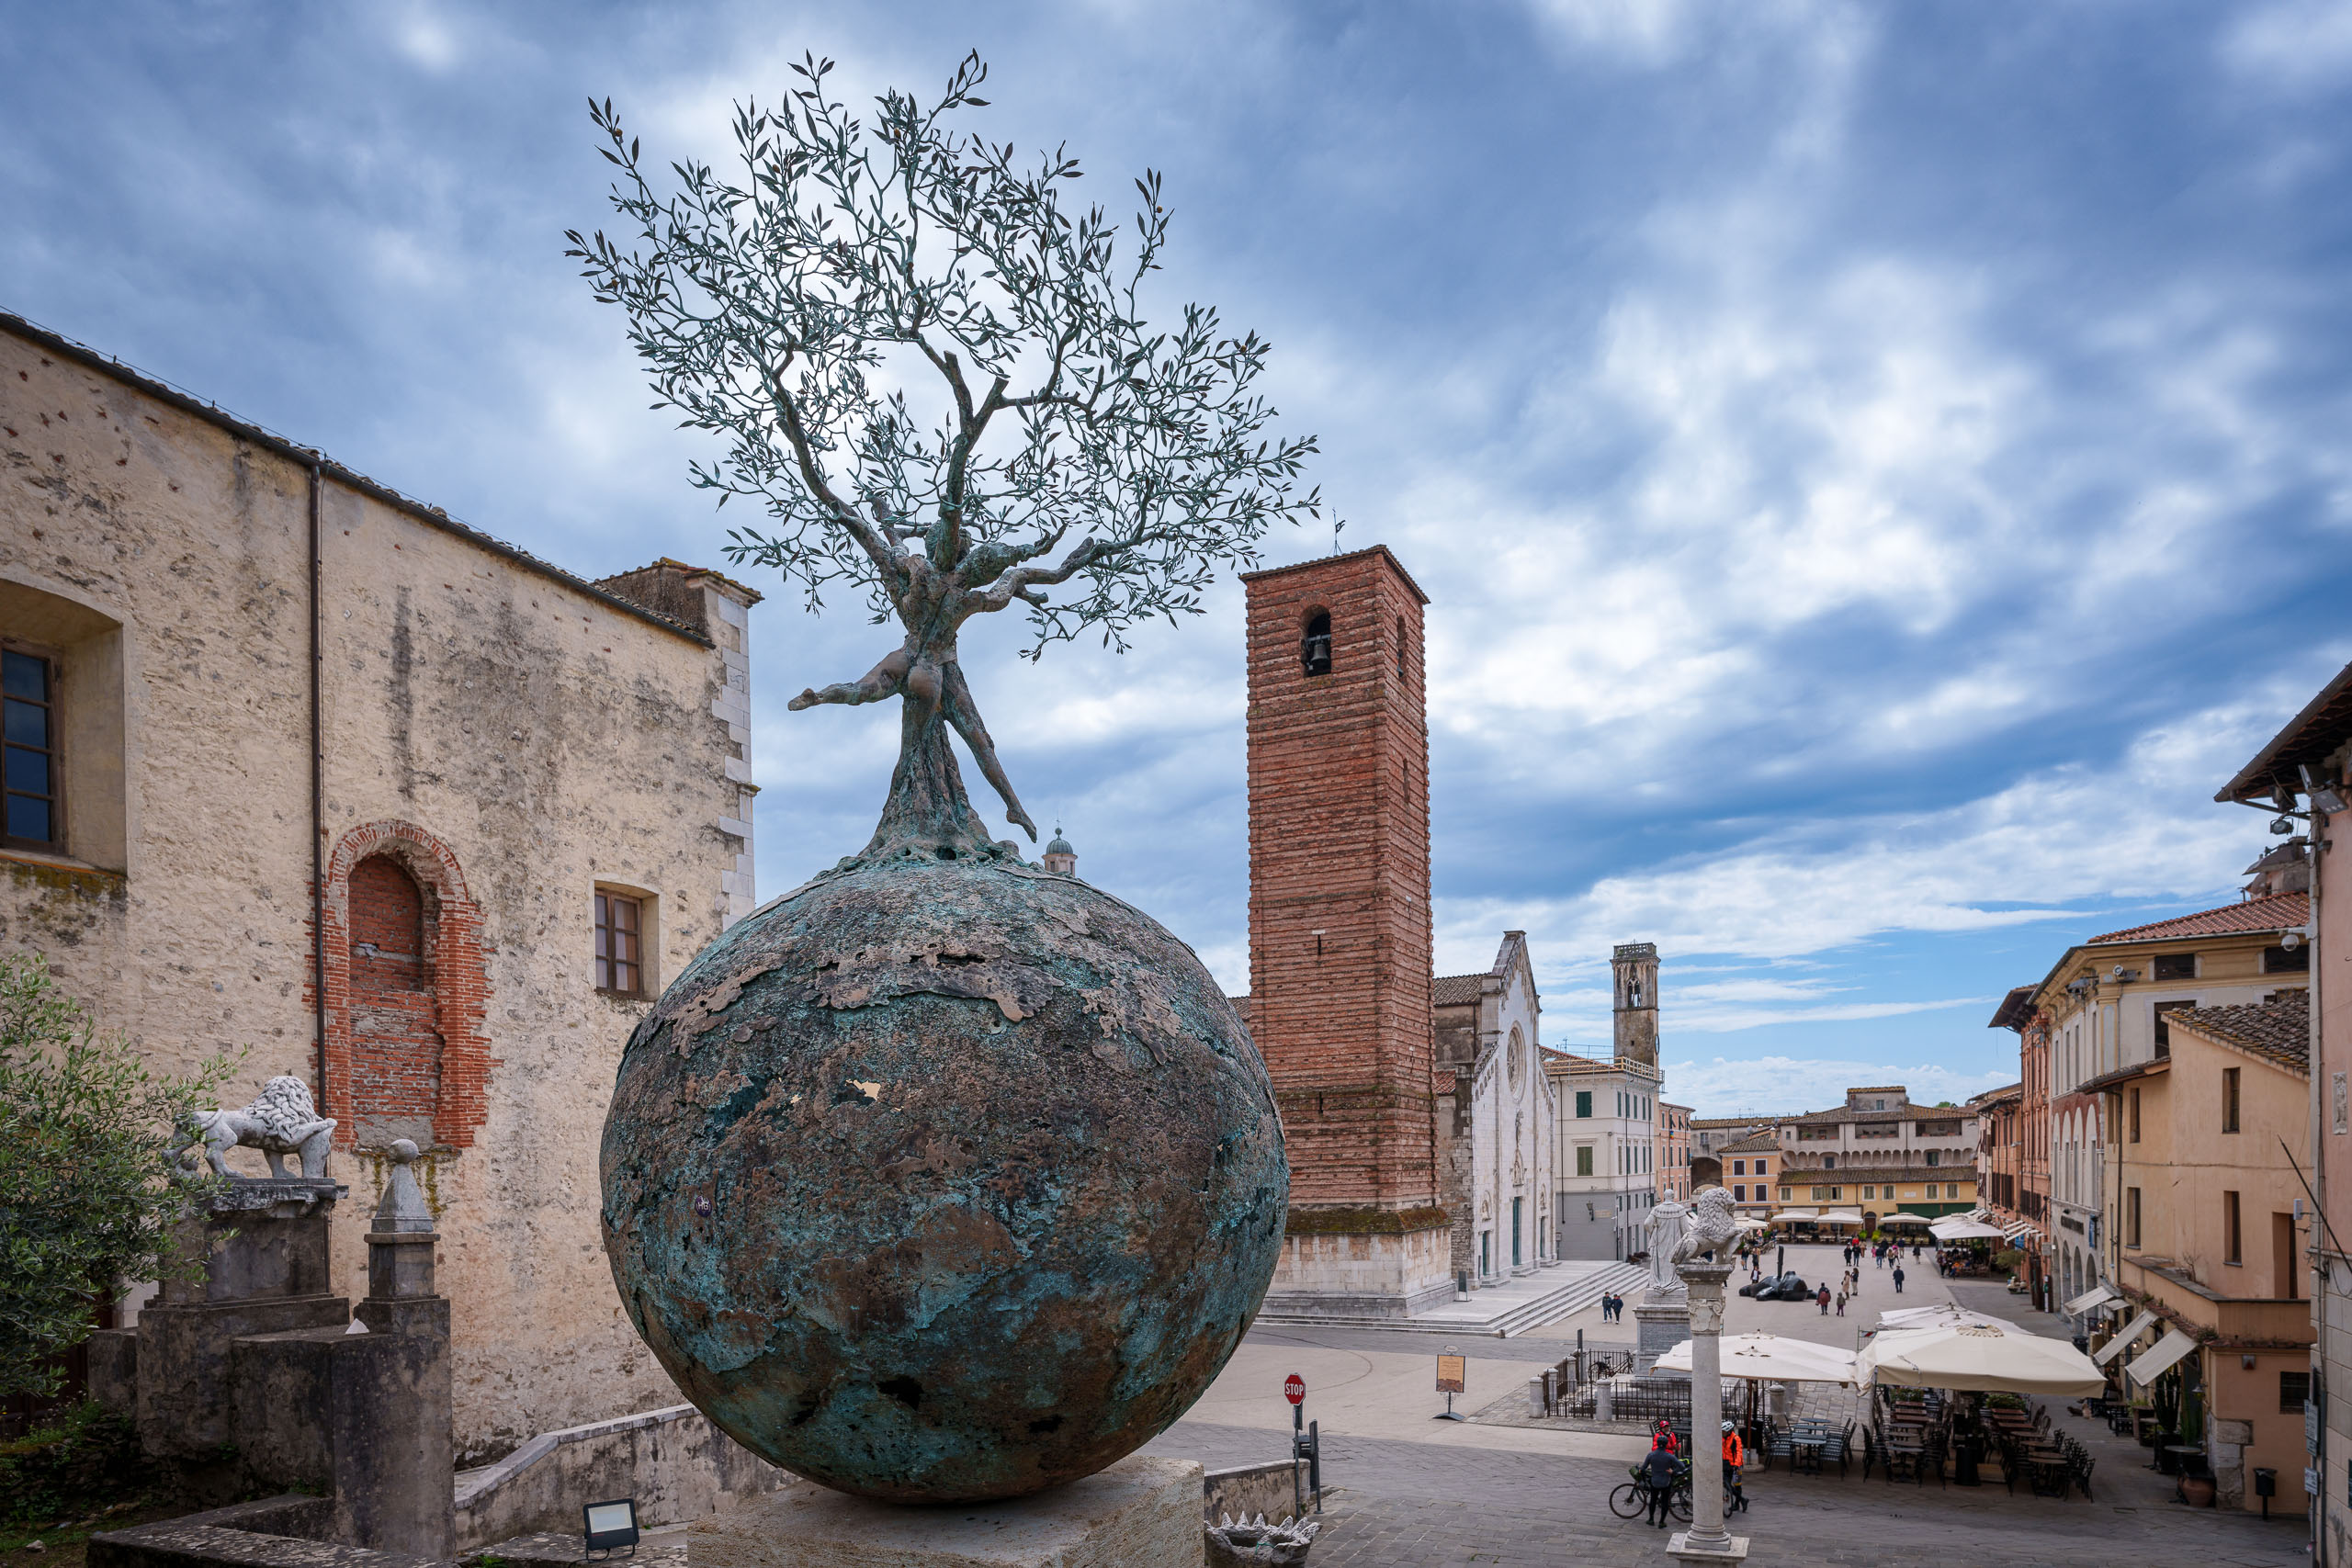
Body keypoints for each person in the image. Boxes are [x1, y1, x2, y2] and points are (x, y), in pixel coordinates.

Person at [1641, 1442, 1683, 1529]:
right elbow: (1681, 1466)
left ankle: (1651, 1519)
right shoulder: (1669, 1456)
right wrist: (1673, 1471)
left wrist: (1641, 1470)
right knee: (1665, 1502)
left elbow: (1643, 1467)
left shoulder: (1651, 1455)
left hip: (1654, 1481)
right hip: (1665, 1482)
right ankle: (1661, 1522)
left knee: (1653, 1500)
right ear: (1666, 1445)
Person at [1722, 1421, 1747, 1515]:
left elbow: (1739, 1453)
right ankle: (1743, 1499)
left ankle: (1737, 1504)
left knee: (1737, 1485)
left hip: (1737, 1466)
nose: (1722, 1433)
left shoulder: (1736, 1439)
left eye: (1723, 1431)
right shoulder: (1723, 1438)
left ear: (1728, 1431)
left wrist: (1736, 1465)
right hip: (1726, 1464)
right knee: (1726, 1484)